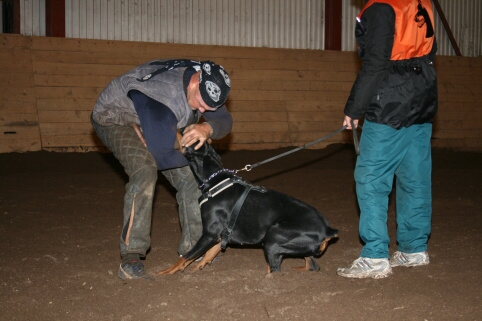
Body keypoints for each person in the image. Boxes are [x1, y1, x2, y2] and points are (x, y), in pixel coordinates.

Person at [91, 59, 233, 280]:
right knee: (145, 169)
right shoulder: (163, 100)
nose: (204, 109)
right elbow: (162, 156)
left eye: (209, 107)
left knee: (191, 178)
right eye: (201, 104)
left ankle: (193, 248)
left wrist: (207, 127)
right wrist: (201, 162)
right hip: (115, 116)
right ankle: (131, 256)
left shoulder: (210, 83)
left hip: (155, 116)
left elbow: (224, 120)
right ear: (195, 83)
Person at [337, 0, 438, 279]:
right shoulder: (419, 2)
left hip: (391, 102)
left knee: (371, 178)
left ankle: (374, 255)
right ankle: (414, 248)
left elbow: (376, 62)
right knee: (414, 177)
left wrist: (354, 109)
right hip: (423, 97)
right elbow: (431, 49)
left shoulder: (382, 7)